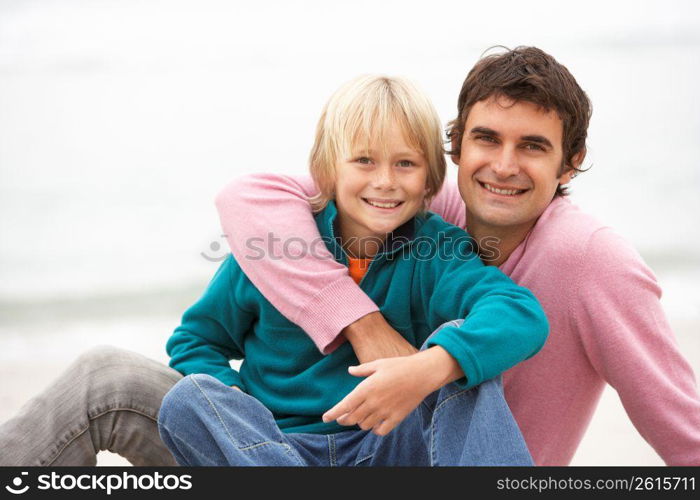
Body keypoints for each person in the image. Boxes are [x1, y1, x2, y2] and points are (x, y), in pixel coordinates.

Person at [213, 47, 700, 465]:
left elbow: (682, 428)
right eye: (487, 139)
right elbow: (247, 199)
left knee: (459, 352)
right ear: (456, 147)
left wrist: (430, 366)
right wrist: (362, 325)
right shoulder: (426, 202)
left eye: (532, 147)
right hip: (378, 452)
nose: (504, 167)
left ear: (569, 164)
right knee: (160, 393)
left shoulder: (591, 259)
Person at [156, 74, 548, 466]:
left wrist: (430, 366)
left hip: (385, 447)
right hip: (276, 449)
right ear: (328, 171)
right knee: (188, 398)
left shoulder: (439, 251)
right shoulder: (274, 249)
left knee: (461, 351)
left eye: (405, 164)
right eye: (364, 160)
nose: (385, 181)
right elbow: (197, 341)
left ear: (430, 179)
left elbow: (518, 312)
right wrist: (239, 402)